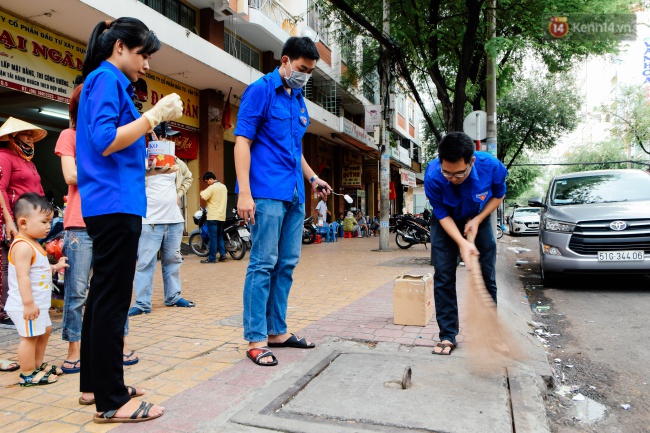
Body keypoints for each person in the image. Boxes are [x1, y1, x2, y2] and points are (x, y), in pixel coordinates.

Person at [76, 17, 182, 423]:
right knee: (113, 300)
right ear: (119, 47)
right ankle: (112, 399)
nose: (147, 65)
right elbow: (105, 141)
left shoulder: (103, 81)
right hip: (115, 205)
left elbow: (112, 146)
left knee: (103, 297)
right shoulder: (106, 80)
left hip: (110, 200)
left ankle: (94, 385)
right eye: (144, 55)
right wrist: (153, 116)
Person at [235, 36, 331, 366]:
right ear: (286, 61)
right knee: (263, 263)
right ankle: (256, 338)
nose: (305, 75)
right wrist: (244, 193)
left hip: (293, 192)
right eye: (302, 69)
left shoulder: (297, 97)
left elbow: (294, 149)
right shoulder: (260, 90)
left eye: (310, 72)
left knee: (286, 263)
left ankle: (277, 331)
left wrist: (313, 178)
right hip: (264, 192)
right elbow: (242, 142)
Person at [55, 85, 140, 374]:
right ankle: (74, 349)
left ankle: (120, 344)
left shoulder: (117, 137)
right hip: (79, 222)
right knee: (77, 291)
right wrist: (105, 174)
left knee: (117, 288)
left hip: (113, 217)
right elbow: (69, 174)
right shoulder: (70, 136)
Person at [424, 132, 507, 356]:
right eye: (447, 173)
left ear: (472, 161)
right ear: (440, 162)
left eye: (459, 173)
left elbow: (499, 195)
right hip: (446, 222)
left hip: (478, 217)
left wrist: (478, 220)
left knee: (486, 274)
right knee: (443, 276)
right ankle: (447, 336)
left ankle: (491, 335)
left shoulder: (491, 166)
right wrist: (461, 242)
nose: (453, 178)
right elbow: (441, 213)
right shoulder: (433, 175)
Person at [128, 126, 194, 316]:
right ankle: (141, 303)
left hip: (174, 219)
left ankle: (173, 297)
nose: (171, 142)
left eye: (172, 139)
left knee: (173, 260)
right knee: (145, 263)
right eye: (168, 138)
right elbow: (131, 179)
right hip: (150, 220)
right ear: (156, 138)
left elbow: (188, 177)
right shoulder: (143, 158)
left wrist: (179, 194)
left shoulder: (176, 161)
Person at [4, 193, 68, 386]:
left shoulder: (34, 244)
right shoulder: (22, 246)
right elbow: (22, 276)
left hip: (38, 304)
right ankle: (27, 373)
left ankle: (37, 364)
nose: (49, 226)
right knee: (29, 338)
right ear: (23, 223)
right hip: (26, 306)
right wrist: (28, 303)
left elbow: (38, 269)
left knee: (45, 330)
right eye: (44, 221)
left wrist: (56, 266)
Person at [0, 117, 47, 329]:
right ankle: (5, 311)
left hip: (30, 222)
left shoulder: (29, 162)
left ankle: (30, 303)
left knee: (31, 265)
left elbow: (38, 192)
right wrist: (9, 220)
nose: (29, 138)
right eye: (25, 134)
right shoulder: (4, 157)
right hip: (14, 220)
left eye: (31, 134)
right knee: (8, 266)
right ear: (12, 137)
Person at [199, 171, 228, 264]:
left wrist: (201, 192)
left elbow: (204, 196)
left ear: (211, 179)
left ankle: (212, 258)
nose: (207, 183)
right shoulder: (224, 187)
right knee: (220, 236)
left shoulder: (212, 188)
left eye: (207, 181)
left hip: (213, 216)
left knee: (213, 237)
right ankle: (223, 254)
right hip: (222, 216)